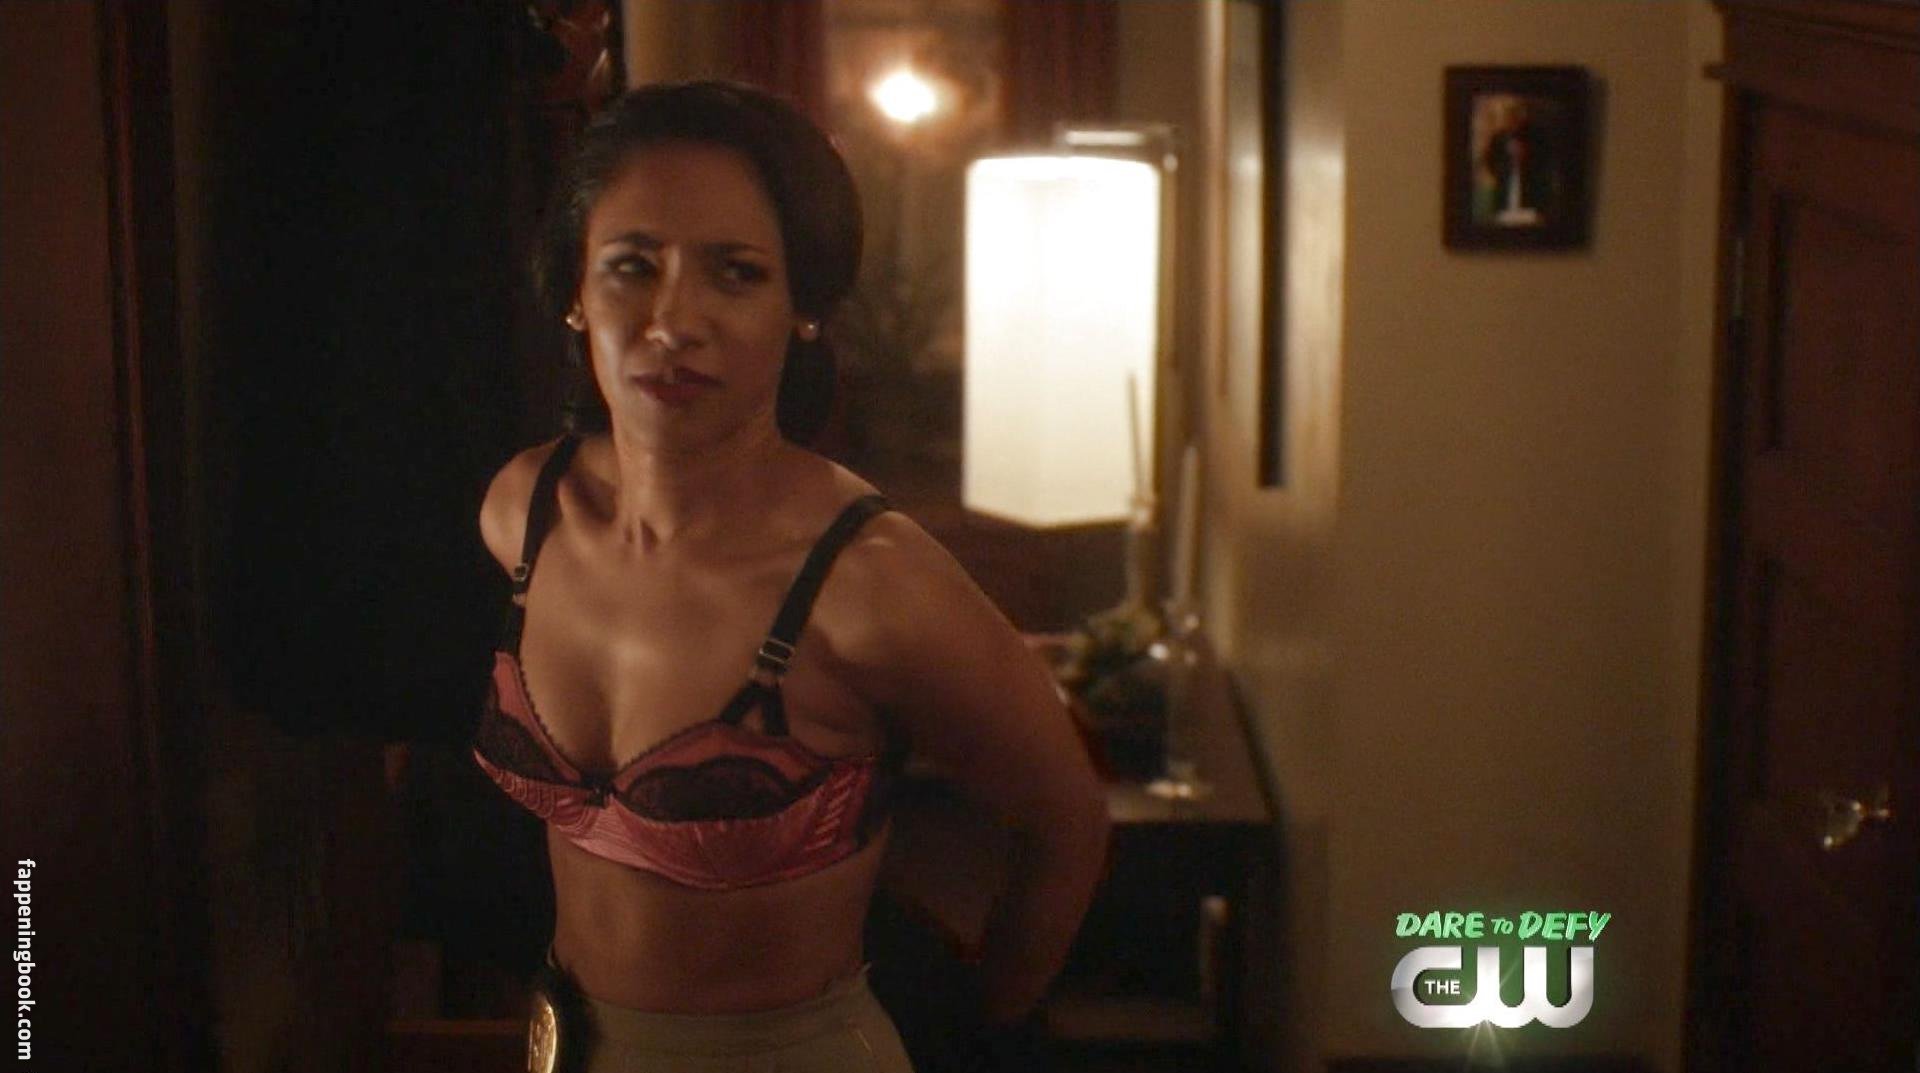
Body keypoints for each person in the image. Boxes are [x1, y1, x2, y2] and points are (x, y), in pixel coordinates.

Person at [470, 79, 1112, 1073]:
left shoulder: (869, 584)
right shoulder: (525, 512)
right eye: (632, 266)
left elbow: (1066, 824)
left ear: (802, 306)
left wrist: (974, 1027)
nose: (673, 320)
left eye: (734, 273)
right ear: (574, 291)